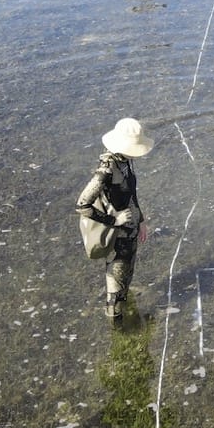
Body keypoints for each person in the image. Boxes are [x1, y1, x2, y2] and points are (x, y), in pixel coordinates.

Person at [74, 117, 153, 324]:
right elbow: (82, 205)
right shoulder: (105, 171)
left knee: (126, 274)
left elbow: (131, 194)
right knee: (115, 287)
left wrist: (141, 220)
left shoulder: (126, 160)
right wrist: (114, 219)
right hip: (117, 237)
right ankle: (117, 330)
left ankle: (126, 310)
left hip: (130, 231)